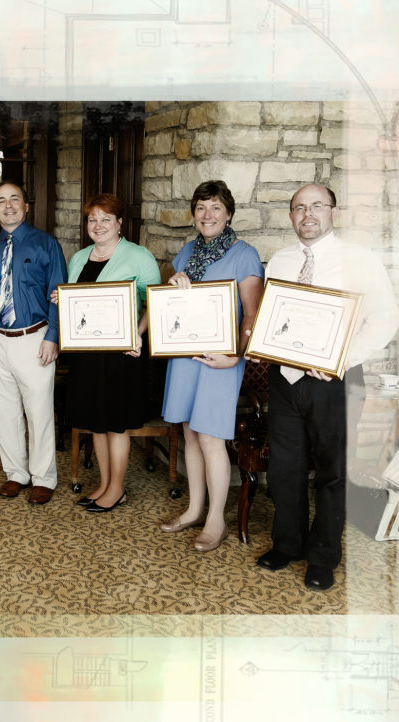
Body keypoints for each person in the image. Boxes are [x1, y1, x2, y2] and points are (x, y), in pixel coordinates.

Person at [255, 183, 399, 591]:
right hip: (285, 379)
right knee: (285, 469)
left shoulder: (360, 260)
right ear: (290, 216)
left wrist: (342, 358)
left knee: (333, 473)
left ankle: (323, 557)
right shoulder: (280, 261)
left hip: (335, 380)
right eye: (299, 208)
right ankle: (288, 544)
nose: (308, 214)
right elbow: (274, 316)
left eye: (317, 206)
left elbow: (386, 320)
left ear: (334, 211)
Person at [159, 180, 264, 551]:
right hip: (185, 357)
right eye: (202, 208)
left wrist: (235, 356)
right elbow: (170, 305)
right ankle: (194, 509)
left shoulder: (244, 254)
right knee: (189, 432)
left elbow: (251, 315)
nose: (208, 215)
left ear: (229, 213)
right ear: (194, 214)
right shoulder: (186, 251)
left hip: (220, 360)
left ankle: (216, 520)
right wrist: (173, 284)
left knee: (210, 436)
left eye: (216, 208)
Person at [54, 194, 160, 512]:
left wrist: (138, 336)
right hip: (87, 354)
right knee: (95, 421)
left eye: (105, 219)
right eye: (92, 219)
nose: (98, 225)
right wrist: (61, 300)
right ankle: (103, 483)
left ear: (119, 224)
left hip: (121, 355)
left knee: (116, 424)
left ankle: (117, 488)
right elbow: (74, 300)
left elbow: (153, 303)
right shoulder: (79, 258)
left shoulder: (139, 257)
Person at [0, 181, 67, 504]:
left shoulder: (46, 244)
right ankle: (16, 472)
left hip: (35, 337)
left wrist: (53, 337)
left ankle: (44, 477)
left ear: (26, 206)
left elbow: (59, 293)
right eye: (1, 201)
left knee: (39, 409)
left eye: (15, 199)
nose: (9, 205)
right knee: (4, 410)